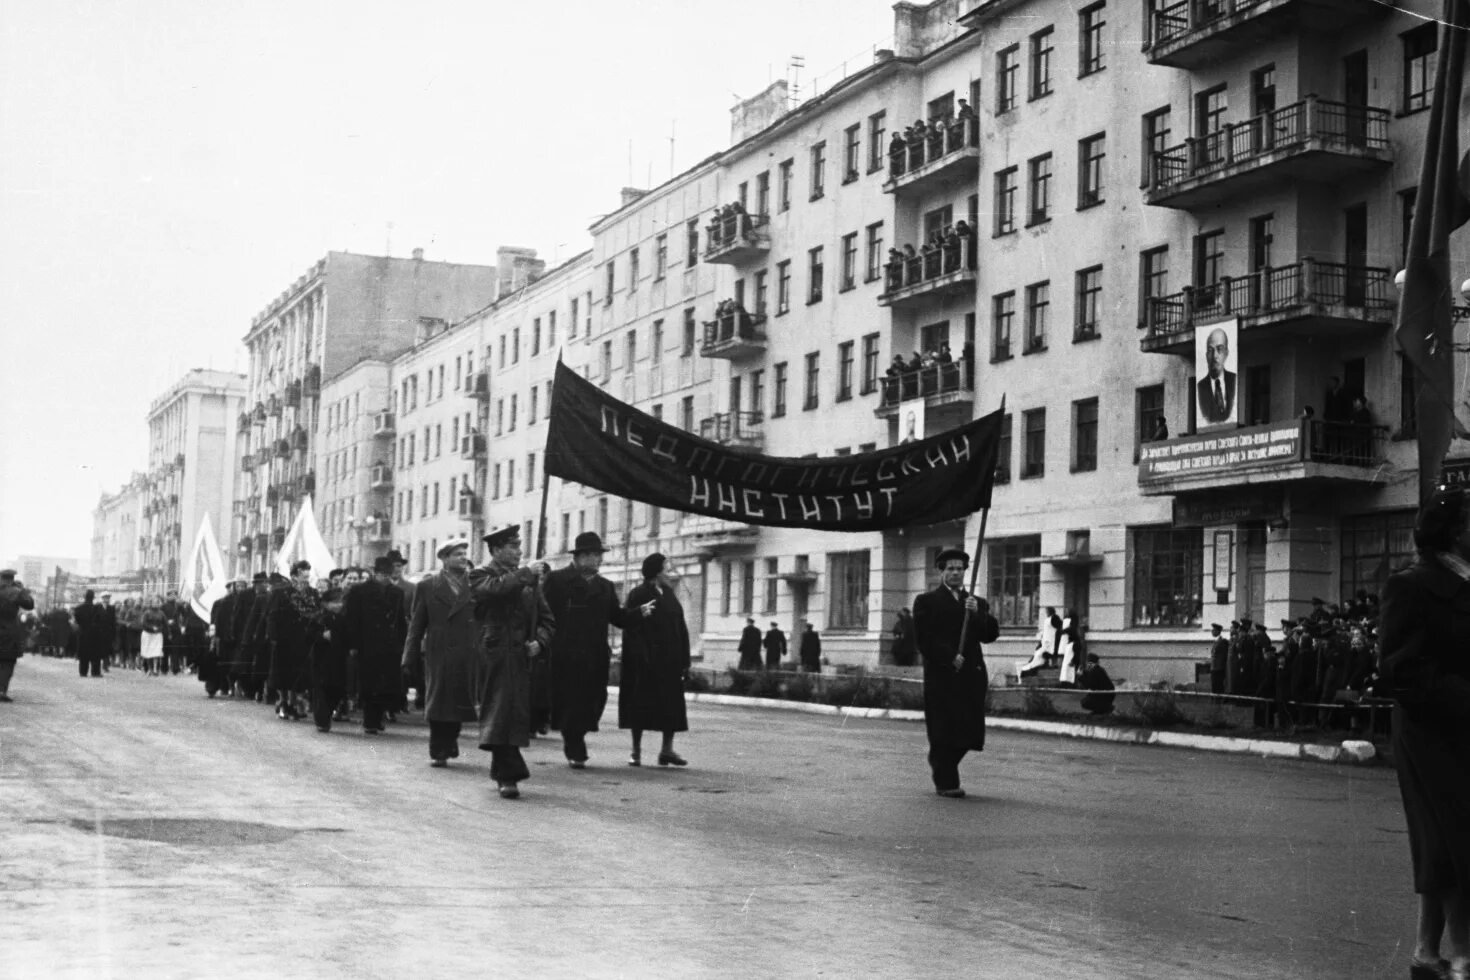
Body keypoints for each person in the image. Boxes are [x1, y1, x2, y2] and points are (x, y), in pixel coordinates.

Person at [1377, 487, 1470, 980]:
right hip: (1430, 732)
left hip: (1460, 732)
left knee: (1443, 841)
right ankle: (1463, 957)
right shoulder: (1411, 586)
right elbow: (1402, 671)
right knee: (1454, 838)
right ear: (1456, 531)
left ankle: (1426, 955)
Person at [471, 526, 554, 798]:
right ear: (495, 550)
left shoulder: (529, 581)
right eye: (513, 546)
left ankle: (504, 772)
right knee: (500, 711)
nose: (519, 551)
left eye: (519, 546)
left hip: (521, 657)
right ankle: (509, 775)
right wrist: (526, 574)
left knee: (511, 713)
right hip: (494, 654)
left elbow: (547, 620)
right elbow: (494, 591)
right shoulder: (480, 575)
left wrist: (539, 642)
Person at [912, 547, 1001, 798]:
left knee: (969, 730)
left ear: (965, 571)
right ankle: (946, 781)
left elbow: (990, 635)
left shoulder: (975, 602)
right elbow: (924, 640)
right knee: (944, 729)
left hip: (970, 677)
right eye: (950, 568)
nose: (955, 573)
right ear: (941, 571)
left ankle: (942, 764)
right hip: (942, 676)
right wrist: (949, 656)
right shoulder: (926, 601)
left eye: (959, 569)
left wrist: (976, 614)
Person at [541, 531, 629, 769]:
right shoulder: (557, 581)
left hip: (595, 656)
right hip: (565, 655)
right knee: (570, 702)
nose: (600, 560)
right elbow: (542, 614)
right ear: (581, 557)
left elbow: (618, 617)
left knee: (594, 700)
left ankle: (576, 738)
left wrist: (640, 614)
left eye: (600, 555)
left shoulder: (606, 586)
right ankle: (575, 746)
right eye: (595, 555)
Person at [403, 539, 485, 766]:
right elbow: (417, 624)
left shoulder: (476, 584)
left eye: (464, 553)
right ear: (444, 558)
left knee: (460, 701)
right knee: (439, 702)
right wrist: (408, 655)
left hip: (468, 652)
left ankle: (450, 741)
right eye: (457, 554)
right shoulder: (427, 586)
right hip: (439, 651)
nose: (463, 557)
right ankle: (439, 749)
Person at [620, 552, 690, 768]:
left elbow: (681, 626)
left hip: (670, 661)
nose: (669, 573)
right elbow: (630, 626)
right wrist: (640, 655)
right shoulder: (638, 594)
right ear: (656, 572)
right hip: (645, 661)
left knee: (671, 705)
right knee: (639, 704)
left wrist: (685, 659)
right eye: (666, 569)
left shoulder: (669, 593)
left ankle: (666, 750)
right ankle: (636, 751)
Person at [343, 556, 408, 735]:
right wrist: (353, 644)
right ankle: (370, 720)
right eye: (382, 574)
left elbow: (400, 619)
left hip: (390, 645)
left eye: (388, 575)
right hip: (367, 644)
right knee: (369, 683)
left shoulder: (396, 593)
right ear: (375, 573)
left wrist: (402, 643)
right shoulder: (359, 591)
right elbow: (352, 619)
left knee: (386, 684)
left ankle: (378, 717)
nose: (385, 578)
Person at [268, 560, 319, 721]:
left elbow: (317, 614)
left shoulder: (312, 593)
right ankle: (283, 702)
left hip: (303, 639)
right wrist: (273, 636)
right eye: (303, 576)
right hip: (284, 639)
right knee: (283, 673)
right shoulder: (282, 593)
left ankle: (294, 702)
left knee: (299, 674)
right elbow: (272, 616)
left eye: (308, 576)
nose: (306, 579)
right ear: (294, 576)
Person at [310, 578, 350, 732]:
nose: (338, 605)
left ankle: (328, 712)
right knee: (321, 691)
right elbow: (308, 636)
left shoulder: (342, 619)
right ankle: (322, 720)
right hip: (321, 660)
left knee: (337, 689)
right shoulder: (319, 618)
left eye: (340, 602)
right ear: (325, 604)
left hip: (338, 660)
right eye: (334, 602)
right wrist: (321, 636)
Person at [0, 570, 35, 702]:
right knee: (7, 662)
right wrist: (22, 590)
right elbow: (30, 604)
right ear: (12, 579)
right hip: (8, 633)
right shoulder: (15, 592)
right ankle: (1, 690)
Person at [1195, 326, 1237, 424]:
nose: (1215, 356)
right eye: (1210, 350)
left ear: (1226, 353)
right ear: (1206, 356)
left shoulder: (1234, 380)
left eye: (1220, 349)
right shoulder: (1200, 387)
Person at [73, 590, 108, 678]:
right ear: (93, 597)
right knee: (95, 654)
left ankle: (83, 672)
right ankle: (95, 672)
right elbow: (103, 620)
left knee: (83, 653)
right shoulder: (98, 608)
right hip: (95, 634)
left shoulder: (78, 608)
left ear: (85, 597)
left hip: (83, 633)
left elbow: (77, 621)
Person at [1209, 622, 1229, 695]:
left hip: (1218, 669)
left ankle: (1218, 702)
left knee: (1218, 687)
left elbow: (1223, 656)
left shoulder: (1222, 642)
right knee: (1214, 687)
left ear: (1218, 631)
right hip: (1214, 668)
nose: (1212, 631)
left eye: (1214, 630)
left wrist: (1220, 667)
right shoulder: (1217, 641)